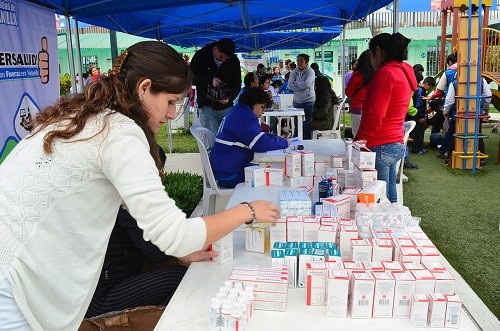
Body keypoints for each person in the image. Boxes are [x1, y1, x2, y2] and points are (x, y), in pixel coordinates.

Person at [0, 41, 279, 331]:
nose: (172, 114)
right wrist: (247, 210)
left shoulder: (85, 118)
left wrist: (179, 249)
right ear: (144, 88)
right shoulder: (119, 133)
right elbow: (175, 234)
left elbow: (145, 220)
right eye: (171, 101)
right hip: (15, 288)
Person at [355, 32, 417, 203]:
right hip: (395, 142)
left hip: (380, 143)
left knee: (380, 199)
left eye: (370, 56)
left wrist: (360, 141)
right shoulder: (403, 72)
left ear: (378, 51)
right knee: (390, 195)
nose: (370, 61)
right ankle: (395, 225)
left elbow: (375, 115)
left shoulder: (385, 73)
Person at [210, 87, 289, 188]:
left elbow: (259, 136)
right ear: (254, 103)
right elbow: (260, 143)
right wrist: (285, 143)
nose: (263, 111)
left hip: (226, 168)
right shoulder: (245, 117)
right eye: (263, 107)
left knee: (270, 171)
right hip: (229, 175)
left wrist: (277, 139)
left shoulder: (239, 110)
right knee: (274, 176)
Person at [190, 38, 242, 134]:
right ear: (216, 49)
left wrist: (229, 98)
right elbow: (191, 78)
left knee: (228, 138)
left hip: (226, 107)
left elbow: (237, 84)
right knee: (211, 140)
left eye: (226, 59)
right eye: (221, 57)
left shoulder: (233, 60)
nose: (223, 60)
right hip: (206, 106)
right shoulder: (201, 55)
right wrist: (210, 80)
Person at [345, 50, 374, 137]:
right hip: (372, 108)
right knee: (370, 135)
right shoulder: (377, 75)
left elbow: (348, 93)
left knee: (357, 134)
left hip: (357, 108)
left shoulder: (357, 76)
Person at [407, 76, 436, 154]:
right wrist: (420, 116)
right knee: (418, 132)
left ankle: (419, 147)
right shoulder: (420, 91)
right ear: (426, 84)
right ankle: (416, 149)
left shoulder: (420, 90)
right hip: (418, 115)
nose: (430, 88)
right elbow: (418, 104)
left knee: (420, 132)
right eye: (430, 86)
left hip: (417, 114)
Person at [288, 54, 316, 122]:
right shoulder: (293, 72)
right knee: (296, 122)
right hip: (296, 101)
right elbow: (289, 86)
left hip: (308, 101)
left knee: (308, 122)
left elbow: (307, 84)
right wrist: (302, 86)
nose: (299, 63)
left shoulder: (310, 71)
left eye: (301, 61)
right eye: (298, 61)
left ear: (306, 62)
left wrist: (296, 83)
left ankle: (307, 133)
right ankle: (297, 133)